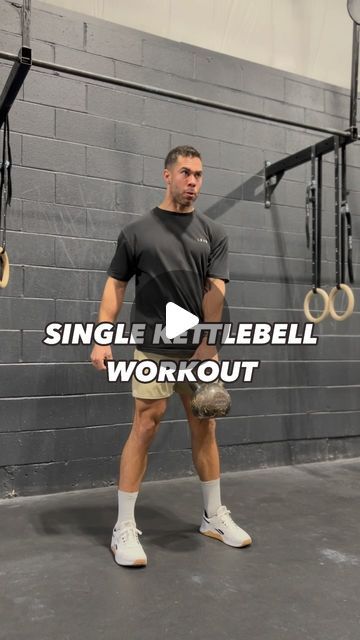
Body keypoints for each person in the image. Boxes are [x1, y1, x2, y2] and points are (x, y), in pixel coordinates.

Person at [91, 145, 252, 567]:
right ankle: (123, 526)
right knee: (145, 424)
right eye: (185, 173)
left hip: (196, 348)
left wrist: (209, 347)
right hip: (152, 347)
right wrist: (102, 335)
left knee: (205, 427)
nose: (193, 182)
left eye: (199, 174)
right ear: (167, 176)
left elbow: (216, 291)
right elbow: (116, 286)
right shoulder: (137, 232)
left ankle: (213, 516)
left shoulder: (214, 234)